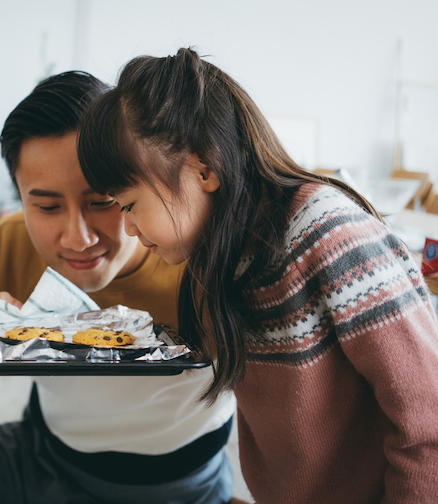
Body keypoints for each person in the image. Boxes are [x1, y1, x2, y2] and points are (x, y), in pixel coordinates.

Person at [76, 47, 438, 504]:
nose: (128, 226)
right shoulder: (219, 256)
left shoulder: (329, 235)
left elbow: (427, 424)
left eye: (129, 205)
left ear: (204, 168)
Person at [0, 71, 237, 504]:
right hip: (41, 457)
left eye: (103, 201)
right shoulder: (6, 245)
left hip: (182, 483)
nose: (77, 238)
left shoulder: (202, 258)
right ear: (19, 198)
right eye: (47, 206)